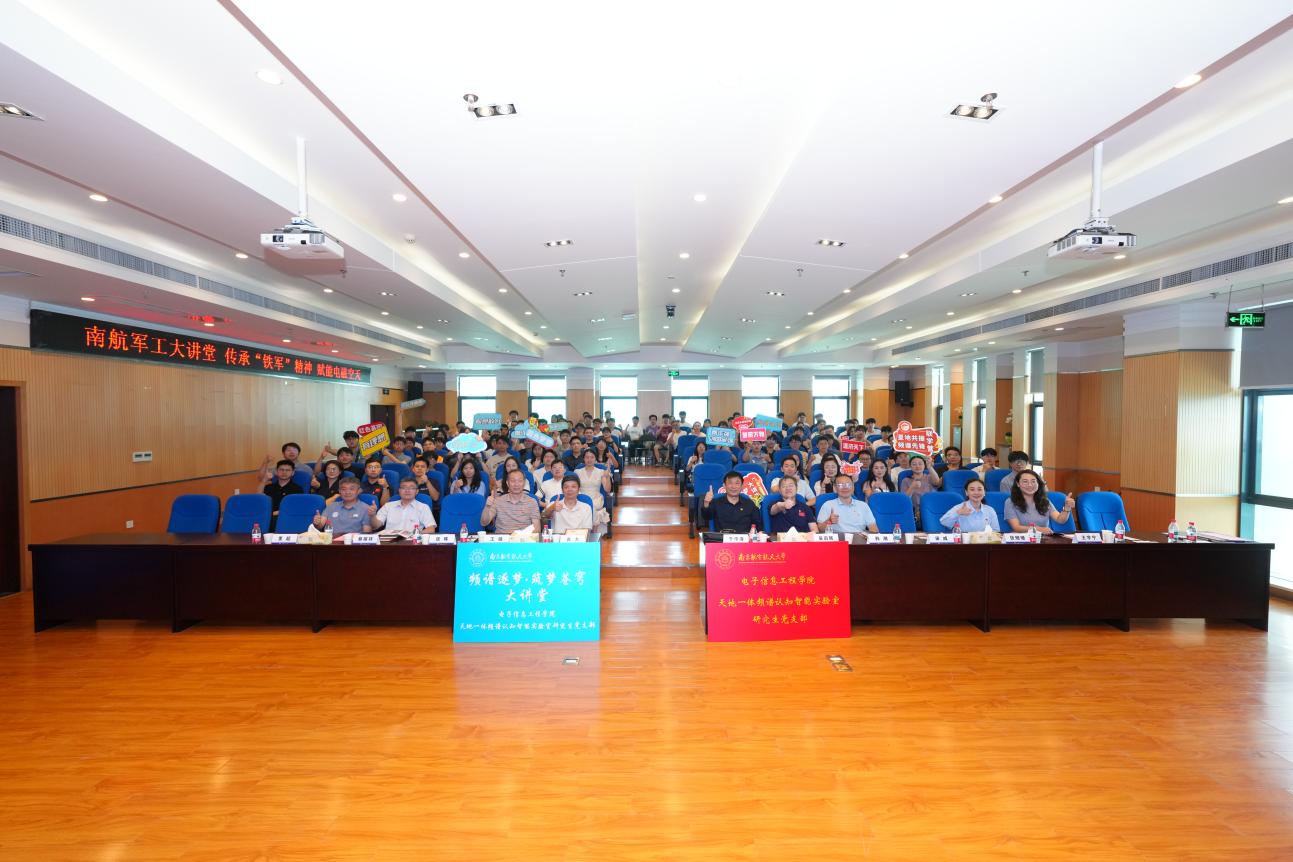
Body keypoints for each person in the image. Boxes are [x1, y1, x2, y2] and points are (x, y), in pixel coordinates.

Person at [1004, 469, 1073, 534]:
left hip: (1043, 539)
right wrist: (1038, 529)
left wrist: (1067, 508)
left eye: (1033, 481)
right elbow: (1016, 527)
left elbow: (1060, 520)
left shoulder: (1044, 500)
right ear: (1018, 484)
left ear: (1038, 483)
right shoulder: (1010, 502)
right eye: (1025, 481)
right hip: (1022, 539)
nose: (1030, 485)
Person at [481, 469, 542, 534]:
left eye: (520, 481)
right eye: (513, 481)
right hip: (502, 538)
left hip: (523, 538)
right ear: (507, 483)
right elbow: (484, 523)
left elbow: (537, 529)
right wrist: (487, 507)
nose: (516, 484)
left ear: (524, 483)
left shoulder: (532, 502)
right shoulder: (498, 501)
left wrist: (519, 537)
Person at [573, 449, 613, 530]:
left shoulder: (601, 471)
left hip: (596, 498)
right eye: (587, 457)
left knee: (592, 506)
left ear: (595, 459)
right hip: (581, 498)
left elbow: (607, 490)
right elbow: (574, 487)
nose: (589, 459)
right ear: (583, 459)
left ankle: (594, 531)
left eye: (592, 457)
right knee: (585, 506)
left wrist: (607, 476)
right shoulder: (577, 471)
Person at [261, 458, 302, 530]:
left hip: (285, 518)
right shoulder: (269, 487)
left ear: (293, 473)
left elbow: (295, 508)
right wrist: (264, 481)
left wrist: (272, 514)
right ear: (276, 471)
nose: (284, 472)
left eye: (287, 470)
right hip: (268, 517)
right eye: (281, 470)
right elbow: (258, 498)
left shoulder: (297, 489)